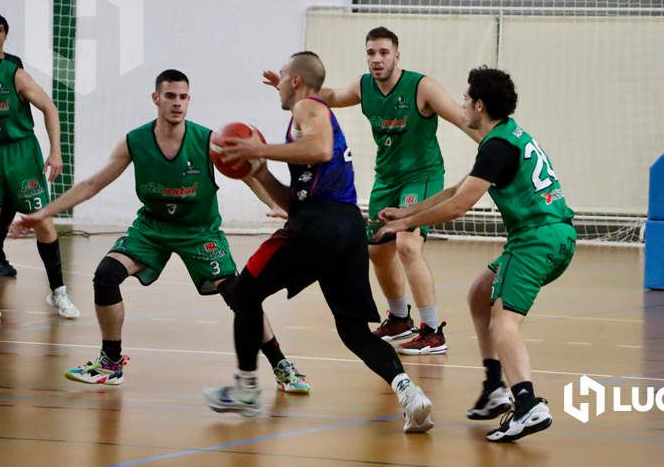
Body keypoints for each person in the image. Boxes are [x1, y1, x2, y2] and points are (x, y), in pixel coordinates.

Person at [21, 69, 310, 393]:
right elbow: (93, 184)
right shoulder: (135, 141)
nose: (177, 103)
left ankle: (282, 366)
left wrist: (279, 204)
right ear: (156, 98)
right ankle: (110, 363)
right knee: (105, 275)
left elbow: (250, 176)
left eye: (183, 97)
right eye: (170, 96)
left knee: (239, 296)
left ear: (189, 101)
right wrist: (43, 212)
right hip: (153, 228)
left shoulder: (207, 141)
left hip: (199, 231)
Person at [203, 52, 433, 432]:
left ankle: (245, 387)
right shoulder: (306, 122)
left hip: (321, 226)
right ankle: (409, 392)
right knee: (353, 331)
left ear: (295, 81)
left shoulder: (309, 107)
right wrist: (257, 173)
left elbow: (321, 150)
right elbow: (294, 201)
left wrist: (256, 149)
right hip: (344, 228)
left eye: (281, 78)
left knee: (243, 293)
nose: (276, 85)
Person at [374, 67, 576, 442]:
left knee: (505, 321)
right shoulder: (506, 137)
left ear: (479, 105)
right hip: (555, 235)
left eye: (466, 98)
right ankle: (493, 387)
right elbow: (457, 189)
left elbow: (458, 207)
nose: (462, 103)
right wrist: (406, 213)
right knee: (480, 294)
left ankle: (528, 404)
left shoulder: (498, 146)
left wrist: (406, 226)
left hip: (535, 238)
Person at [264, 26, 479, 355]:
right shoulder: (365, 87)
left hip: (421, 176)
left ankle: (433, 331)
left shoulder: (422, 87)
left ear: (396, 56)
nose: (377, 59)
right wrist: (292, 88)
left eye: (383, 52)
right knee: (378, 251)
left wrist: (495, 150)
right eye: (371, 53)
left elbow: (461, 119)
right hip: (387, 178)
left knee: (407, 246)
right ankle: (398, 318)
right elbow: (329, 97)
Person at [0, 23, 78, 320]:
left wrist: (56, 151)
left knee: (41, 222)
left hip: (21, 153)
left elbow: (50, 107)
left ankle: (58, 291)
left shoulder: (14, 75)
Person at [0, 14, 29, 278]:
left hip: (14, 145)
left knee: (11, 198)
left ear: (5, 35)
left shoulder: (13, 64)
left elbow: (21, 97)